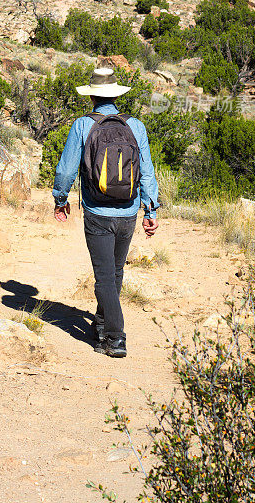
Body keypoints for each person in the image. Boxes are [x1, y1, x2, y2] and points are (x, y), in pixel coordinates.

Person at [52, 67, 159, 358]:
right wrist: (150, 209)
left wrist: (60, 199)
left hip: (97, 212)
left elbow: (65, 170)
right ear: (115, 94)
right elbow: (147, 172)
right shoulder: (135, 126)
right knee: (114, 272)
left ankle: (115, 336)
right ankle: (100, 325)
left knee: (104, 277)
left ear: (92, 97)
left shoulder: (83, 126)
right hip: (128, 212)